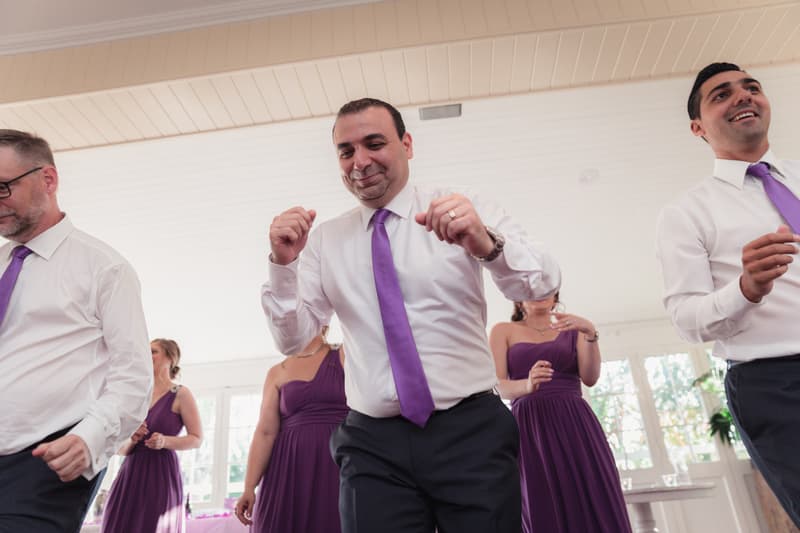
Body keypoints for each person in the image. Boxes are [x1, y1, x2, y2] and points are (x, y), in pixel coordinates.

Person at [261, 97, 560, 533]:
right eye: (346, 151)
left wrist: (485, 242)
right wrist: (282, 266)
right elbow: (292, 340)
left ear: (407, 144)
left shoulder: (464, 209)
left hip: (470, 430)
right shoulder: (325, 241)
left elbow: (541, 284)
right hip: (371, 444)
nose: (360, 161)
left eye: (374, 143)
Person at [655, 62, 800, 526]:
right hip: (777, 386)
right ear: (698, 128)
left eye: (751, 88)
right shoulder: (686, 213)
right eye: (721, 95)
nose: (742, 96)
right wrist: (746, 288)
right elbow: (686, 321)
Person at [0, 130, 152, 533]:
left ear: (48, 179)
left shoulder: (105, 269)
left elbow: (134, 377)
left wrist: (90, 437)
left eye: (2, 187)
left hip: (47, 462)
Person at [490, 293, 631, 533]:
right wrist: (527, 385)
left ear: (555, 294)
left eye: (546, 287)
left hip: (576, 424)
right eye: (531, 288)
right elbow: (496, 385)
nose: (539, 294)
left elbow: (590, 377)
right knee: (541, 498)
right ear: (517, 296)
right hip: (530, 428)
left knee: (592, 493)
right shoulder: (503, 331)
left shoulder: (574, 329)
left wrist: (590, 334)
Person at [234, 328, 347, 532]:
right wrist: (249, 487)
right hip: (287, 467)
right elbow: (265, 432)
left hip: (336, 462)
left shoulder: (344, 353)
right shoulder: (278, 371)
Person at [101, 338, 203, 533]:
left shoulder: (181, 394)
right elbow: (120, 449)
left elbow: (196, 438)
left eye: (153, 351)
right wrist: (132, 438)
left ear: (170, 358)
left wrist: (165, 441)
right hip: (130, 474)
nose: (147, 356)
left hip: (161, 475)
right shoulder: (136, 396)